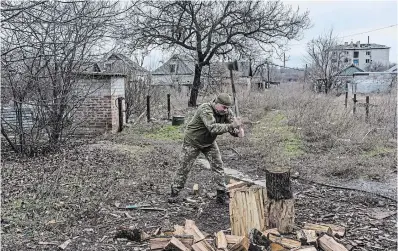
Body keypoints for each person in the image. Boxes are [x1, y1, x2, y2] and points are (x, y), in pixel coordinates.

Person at [169, 93, 244, 204]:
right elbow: (212, 128)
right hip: (193, 141)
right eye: (224, 107)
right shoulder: (205, 109)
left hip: (209, 142)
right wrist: (232, 126)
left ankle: (221, 194)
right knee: (184, 167)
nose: (226, 110)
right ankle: (175, 192)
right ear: (216, 103)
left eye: (228, 108)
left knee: (218, 165)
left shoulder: (226, 112)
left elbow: (231, 127)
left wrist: (237, 132)